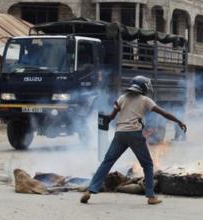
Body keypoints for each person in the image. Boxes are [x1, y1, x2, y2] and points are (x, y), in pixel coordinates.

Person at [80, 76, 187, 205]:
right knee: (147, 165)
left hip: (120, 134)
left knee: (107, 162)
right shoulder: (145, 100)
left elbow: (110, 117)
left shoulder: (121, 98)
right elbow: (163, 113)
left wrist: (104, 120)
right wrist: (178, 121)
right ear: (144, 88)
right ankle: (151, 196)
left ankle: (90, 190)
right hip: (134, 134)